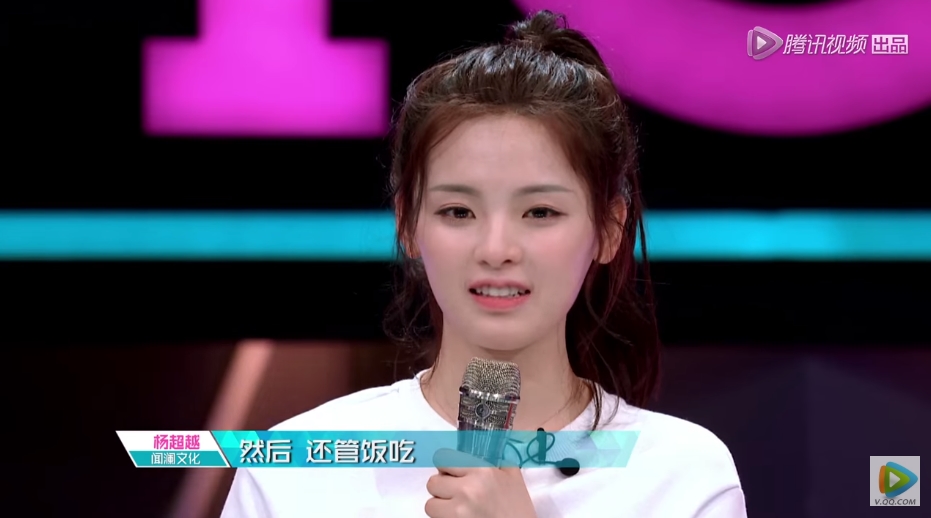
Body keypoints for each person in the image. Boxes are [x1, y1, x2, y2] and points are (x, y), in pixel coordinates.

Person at [220, 10, 747, 518]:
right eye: (459, 212)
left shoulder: (679, 476)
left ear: (608, 229)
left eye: (540, 212)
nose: (496, 249)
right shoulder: (297, 471)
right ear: (408, 224)